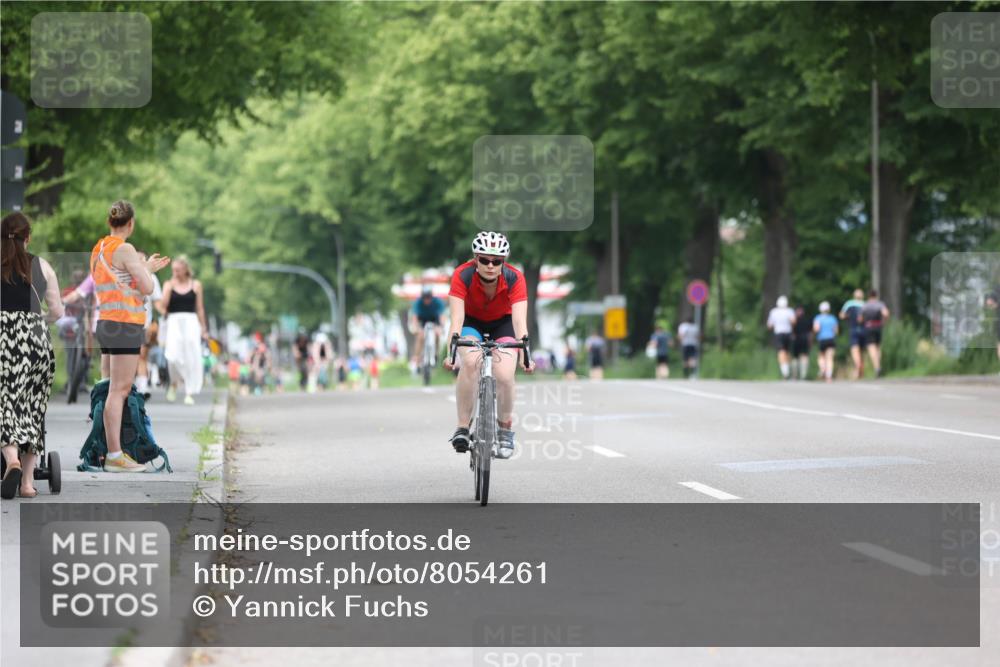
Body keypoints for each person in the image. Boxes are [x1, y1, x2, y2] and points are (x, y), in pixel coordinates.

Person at [90, 200, 170, 472]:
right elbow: (146, 287)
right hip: (125, 324)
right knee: (119, 390)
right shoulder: (125, 249)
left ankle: (108, 449)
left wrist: (142, 266)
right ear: (131, 223)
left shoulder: (99, 248)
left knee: (109, 386)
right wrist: (146, 268)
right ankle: (115, 455)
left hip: (107, 322)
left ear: (109, 221)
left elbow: (118, 280)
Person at [443, 231, 534, 458]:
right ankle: (463, 427)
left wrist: (526, 355)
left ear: (504, 261)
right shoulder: (462, 275)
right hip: (471, 322)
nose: (490, 265)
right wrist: (450, 354)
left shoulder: (515, 278)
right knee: (472, 361)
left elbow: (519, 320)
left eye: (497, 261)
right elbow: (456, 320)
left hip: (503, 324)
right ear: (476, 259)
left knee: (504, 374)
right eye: (484, 260)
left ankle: (504, 430)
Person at [1, 212, 64, 498]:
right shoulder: (42, 266)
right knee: (32, 406)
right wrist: (41, 321)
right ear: (28, 237)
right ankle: (27, 482)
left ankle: (10, 458)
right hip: (35, 339)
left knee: (5, 400)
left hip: (3, 337)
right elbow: (57, 311)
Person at [160, 256, 207, 404]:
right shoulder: (168, 284)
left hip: (191, 322)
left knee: (191, 356)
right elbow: (163, 306)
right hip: (174, 322)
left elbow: (200, 308)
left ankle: (189, 391)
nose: (175, 273)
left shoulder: (196, 285)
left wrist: (203, 328)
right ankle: (174, 383)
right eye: (173, 270)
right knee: (172, 355)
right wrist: (167, 290)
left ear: (186, 269)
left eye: (178, 270)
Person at [135, 251, 163, 400]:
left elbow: (158, 300)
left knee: (142, 354)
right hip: (126, 322)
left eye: (144, 260)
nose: (142, 262)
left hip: (144, 322)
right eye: (139, 260)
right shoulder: (126, 276)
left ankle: (142, 387)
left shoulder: (152, 278)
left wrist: (166, 313)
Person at [410, 285, 446, 373]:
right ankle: (417, 358)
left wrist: (441, 327)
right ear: (422, 298)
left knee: (437, 335)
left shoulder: (438, 302)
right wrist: (416, 328)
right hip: (422, 321)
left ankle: (435, 354)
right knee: (420, 336)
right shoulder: (418, 303)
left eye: (428, 297)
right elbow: (415, 317)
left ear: (431, 297)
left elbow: (442, 317)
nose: (427, 300)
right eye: (424, 298)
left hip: (435, 321)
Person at [861, 289, 890, 378]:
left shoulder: (865, 305)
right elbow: (886, 313)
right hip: (878, 327)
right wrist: (884, 322)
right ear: (876, 295)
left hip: (869, 327)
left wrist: (863, 322)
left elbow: (860, 318)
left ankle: (876, 367)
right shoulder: (880, 304)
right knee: (877, 347)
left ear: (868, 296)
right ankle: (878, 366)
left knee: (871, 348)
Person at [766, 295, 796, 380]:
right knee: (788, 352)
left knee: (781, 352)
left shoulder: (774, 312)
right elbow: (793, 321)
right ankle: (789, 370)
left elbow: (769, 325)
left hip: (778, 334)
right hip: (788, 333)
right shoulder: (790, 311)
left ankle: (785, 372)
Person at [839, 289, 867, 380]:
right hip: (864, 330)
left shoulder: (849, 304)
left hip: (853, 328)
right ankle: (861, 372)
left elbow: (842, 315)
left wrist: (848, 316)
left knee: (855, 350)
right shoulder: (865, 304)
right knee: (862, 351)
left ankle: (858, 365)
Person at [813, 301, 839, 383]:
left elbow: (816, 329)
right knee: (830, 358)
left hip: (822, 339)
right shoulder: (832, 318)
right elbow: (836, 331)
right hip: (831, 339)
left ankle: (822, 368)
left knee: (821, 356)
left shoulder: (818, 318)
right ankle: (829, 376)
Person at [791, 305, 812, 380]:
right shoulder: (806, 320)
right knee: (799, 357)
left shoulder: (794, 321)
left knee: (798, 357)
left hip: (800, 340)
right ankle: (800, 375)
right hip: (801, 340)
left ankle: (798, 375)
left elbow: (809, 333)